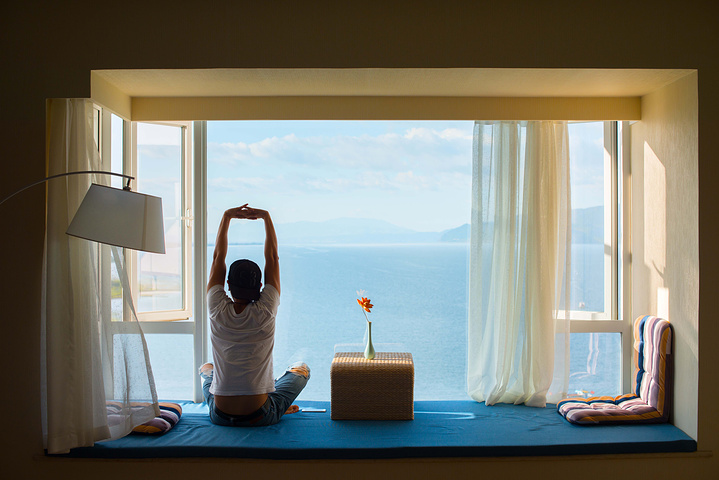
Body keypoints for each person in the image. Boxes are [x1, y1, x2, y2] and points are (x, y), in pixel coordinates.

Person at [199, 204, 310, 426]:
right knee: (302, 369)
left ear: (227, 284)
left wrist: (227, 217)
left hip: (219, 416)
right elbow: (272, 258)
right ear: (260, 286)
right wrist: (266, 218)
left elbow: (217, 258)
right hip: (260, 415)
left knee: (206, 368)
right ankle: (278, 405)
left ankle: (274, 400)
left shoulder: (216, 306)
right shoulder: (266, 308)